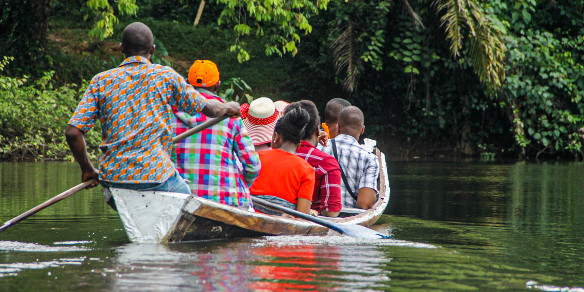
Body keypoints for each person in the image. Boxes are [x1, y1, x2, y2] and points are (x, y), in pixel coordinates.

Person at [65, 22, 240, 194]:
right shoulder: (166, 76)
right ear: (152, 50)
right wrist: (228, 106)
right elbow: (210, 109)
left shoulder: (100, 81)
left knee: (112, 196)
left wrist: (87, 169)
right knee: (187, 199)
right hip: (156, 176)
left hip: (113, 178)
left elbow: (73, 133)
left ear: (121, 48)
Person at [172, 60, 261, 210]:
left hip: (180, 198)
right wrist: (241, 187)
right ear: (217, 85)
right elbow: (253, 166)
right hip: (226, 201)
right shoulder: (231, 117)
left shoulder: (169, 115)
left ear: (187, 83)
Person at [250, 107, 315, 214]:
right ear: (299, 145)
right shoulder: (307, 170)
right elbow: (302, 215)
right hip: (284, 226)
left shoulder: (256, 158)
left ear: (276, 136)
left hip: (251, 220)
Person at [284, 101, 342, 217]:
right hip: (308, 221)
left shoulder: (274, 154)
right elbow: (331, 212)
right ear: (317, 129)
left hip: (276, 214)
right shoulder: (326, 163)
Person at [319, 106, 379, 209]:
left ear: (338, 127)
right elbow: (364, 203)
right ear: (362, 130)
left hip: (318, 214)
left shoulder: (319, 147)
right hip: (349, 217)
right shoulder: (370, 159)